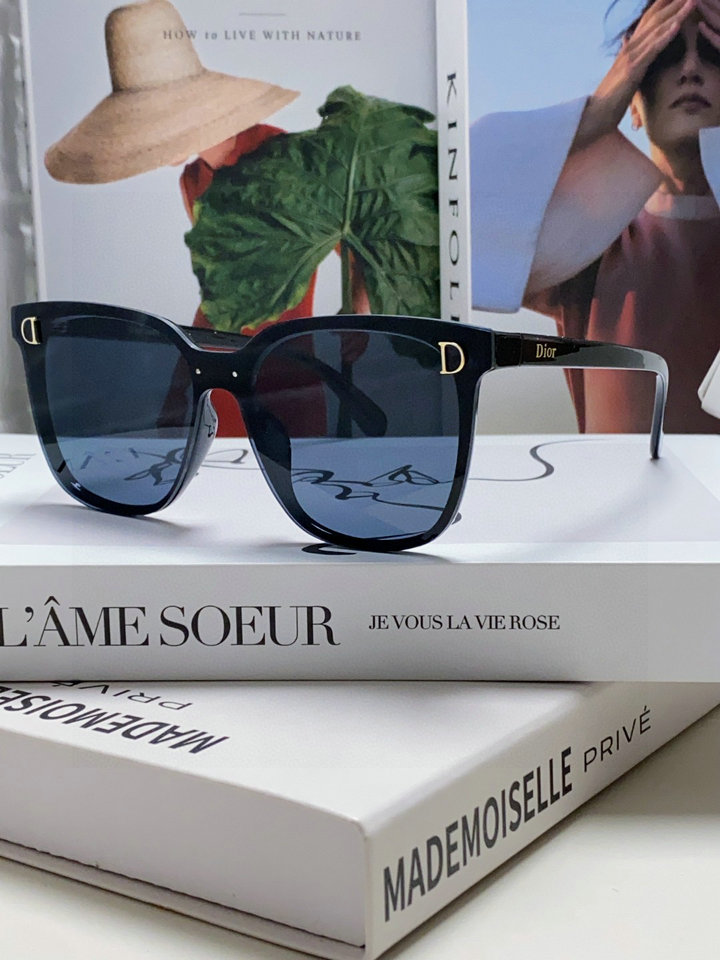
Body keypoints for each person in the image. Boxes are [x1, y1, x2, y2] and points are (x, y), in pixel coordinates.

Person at [471, 0, 720, 433]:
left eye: (715, 53)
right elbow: (442, 221)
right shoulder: (594, 242)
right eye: (663, 53)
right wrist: (596, 113)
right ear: (634, 104)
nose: (690, 69)